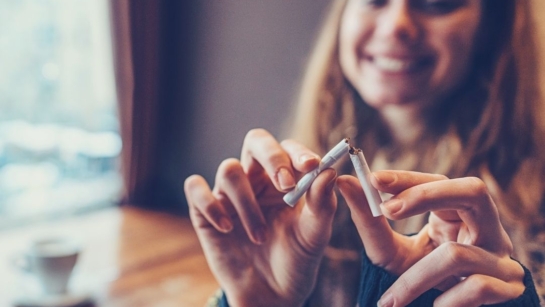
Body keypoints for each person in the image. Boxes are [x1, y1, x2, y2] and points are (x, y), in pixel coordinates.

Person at [184, 0, 545, 306]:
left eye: (437, 0)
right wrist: (254, 300)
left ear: (493, 26)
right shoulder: (300, 199)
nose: (397, 24)